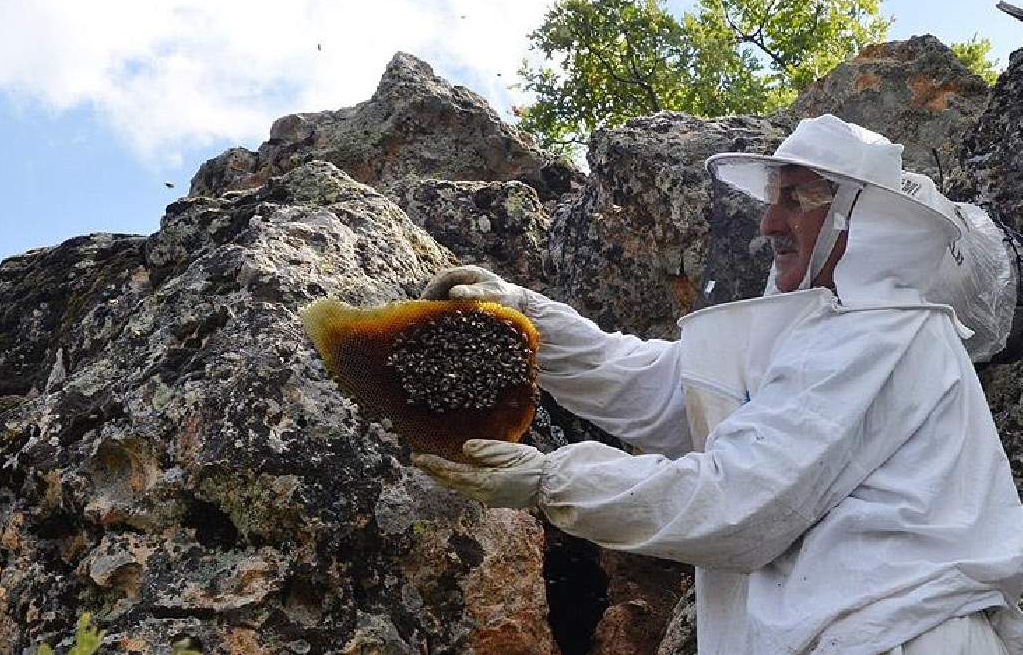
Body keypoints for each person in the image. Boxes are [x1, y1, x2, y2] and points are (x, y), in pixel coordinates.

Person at [412, 115, 1023, 654]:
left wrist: (554, 480)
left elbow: (740, 500)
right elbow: (653, 386)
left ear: (854, 220)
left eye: (793, 199)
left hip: (902, 635)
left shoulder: (882, 333)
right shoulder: (821, 333)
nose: (767, 222)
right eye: (771, 198)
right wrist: (525, 314)